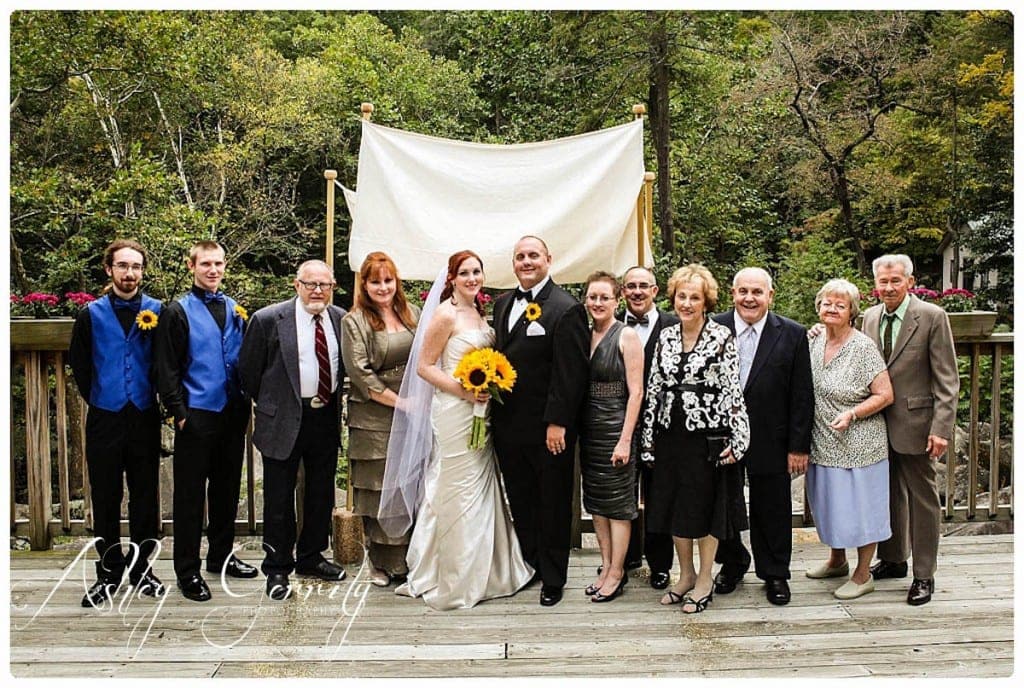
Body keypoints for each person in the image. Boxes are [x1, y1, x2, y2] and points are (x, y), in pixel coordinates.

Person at [389, 250, 533, 610]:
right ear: (451, 278)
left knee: (482, 483)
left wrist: (487, 389)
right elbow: (424, 367)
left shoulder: (480, 313)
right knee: (456, 484)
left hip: (481, 410)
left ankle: (493, 569)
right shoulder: (444, 314)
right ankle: (454, 573)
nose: (472, 278)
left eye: (477, 272)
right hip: (454, 410)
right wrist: (465, 391)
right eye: (464, 273)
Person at [639, 264, 749, 614]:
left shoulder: (721, 337)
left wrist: (739, 436)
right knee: (675, 507)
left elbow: (733, 389)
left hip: (708, 435)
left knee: (705, 509)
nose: (686, 303)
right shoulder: (665, 336)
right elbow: (654, 387)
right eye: (681, 297)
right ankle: (684, 575)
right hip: (670, 434)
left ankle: (704, 579)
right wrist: (647, 437)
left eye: (694, 298)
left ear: (706, 302)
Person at [238, 259, 348, 601]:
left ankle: (312, 557)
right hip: (282, 417)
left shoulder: (340, 319)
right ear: (296, 285)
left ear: (332, 288)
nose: (318, 291)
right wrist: (274, 404)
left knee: (320, 493)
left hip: (324, 416)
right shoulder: (268, 319)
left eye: (324, 285)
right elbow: (248, 373)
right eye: (311, 284)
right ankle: (277, 567)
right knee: (278, 499)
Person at [490, 236, 590, 607]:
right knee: (521, 497)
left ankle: (553, 576)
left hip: (549, 428)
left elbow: (570, 375)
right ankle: (530, 562)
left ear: (549, 258)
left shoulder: (566, 308)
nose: (527, 262)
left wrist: (558, 423)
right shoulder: (502, 304)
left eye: (533, 255)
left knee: (553, 500)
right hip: (507, 423)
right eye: (520, 256)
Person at [155, 240, 257, 602]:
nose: (212, 270)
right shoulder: (176, 311)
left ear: (225, 266)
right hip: (196, 414)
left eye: (218, 263)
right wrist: (178, 415)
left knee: (227, 490)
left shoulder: (234, 309)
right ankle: (187, 571)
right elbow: (165, 369)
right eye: (205, 264)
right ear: (191, 266)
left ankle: (221, 557)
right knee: (190, 496)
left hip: (232, 413)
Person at [68, 239, 165, 608]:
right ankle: (108, 573)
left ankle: (143, 570)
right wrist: (100, 395)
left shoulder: (158, 311)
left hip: (143, 416)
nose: (130, 273)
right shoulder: (90, 315)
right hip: (105, 417)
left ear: (142, 271)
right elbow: (79, 363)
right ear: (109, 270)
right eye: (122, 266)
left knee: (145, 496)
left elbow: (164, 363)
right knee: (106, 496)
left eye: (136, 267)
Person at [711, 267, 814, 606]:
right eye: (743, 291)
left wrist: (798, 446)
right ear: (733, 293)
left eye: (757, 292)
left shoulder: (793, 334)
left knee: (772, 506)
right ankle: (732, 562)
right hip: (721, 433)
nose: (749, 298)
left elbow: (802, 394)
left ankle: (775, 573)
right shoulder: (714, 328)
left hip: (772, 434)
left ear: (770, 295)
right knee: (723, 503)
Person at [865, 255, 959, 605]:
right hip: (877, 424)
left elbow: (947, 380)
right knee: (887, 495)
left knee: (923, 501)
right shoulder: (870, 317)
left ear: (910, 281)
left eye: (895, 281)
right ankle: (893, 559)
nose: (888, 287)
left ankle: (924, 574)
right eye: (883, 282)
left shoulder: (932, 317)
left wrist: (941, 429)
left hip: (918, 425)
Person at [805, 279, 894, 600]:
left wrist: (853, 414)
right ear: (818, 307)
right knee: (829, 505)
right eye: (827, 303)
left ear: (852, 312)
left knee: (861, 510)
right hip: (824, 442)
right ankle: (837, 560)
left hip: (860, 444)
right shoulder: (813, 341)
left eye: (839, 305)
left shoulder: (863, 347)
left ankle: (863, 573)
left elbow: (885, 394)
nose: (832, 309)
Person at [340, 252, 420, 588]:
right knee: (378, 489)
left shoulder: (411, 312)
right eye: (375, 281)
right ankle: (380, 562)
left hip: (414, 411)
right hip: (375, 417)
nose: (383, 287)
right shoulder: (353, 321)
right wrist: (401, 403)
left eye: (388, 280)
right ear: (364, 284)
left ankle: (410, 559)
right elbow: (360, 373)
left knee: (409, 487)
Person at [580, 271, 643, 603]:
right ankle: (605, 565)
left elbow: (637, 393)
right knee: (597, 505)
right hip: (589, 431)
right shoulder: (584, 334)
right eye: (592, 297)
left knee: (618, 505)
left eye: (604, 297)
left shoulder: (626, 335)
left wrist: (625, 439)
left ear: (616, 301)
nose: (598, 303)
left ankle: (618, 571)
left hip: (616, 426)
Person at [618, 266, 677, 590]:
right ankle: (624, 560)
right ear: (623, 292)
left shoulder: (674, 327)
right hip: (619, 424)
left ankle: (660, 565)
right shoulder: (609, 327)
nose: (637, 291)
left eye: (644, 286)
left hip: (662, 426)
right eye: (631, 286)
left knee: (658, 495)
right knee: (621, 494)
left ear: (655, 291)